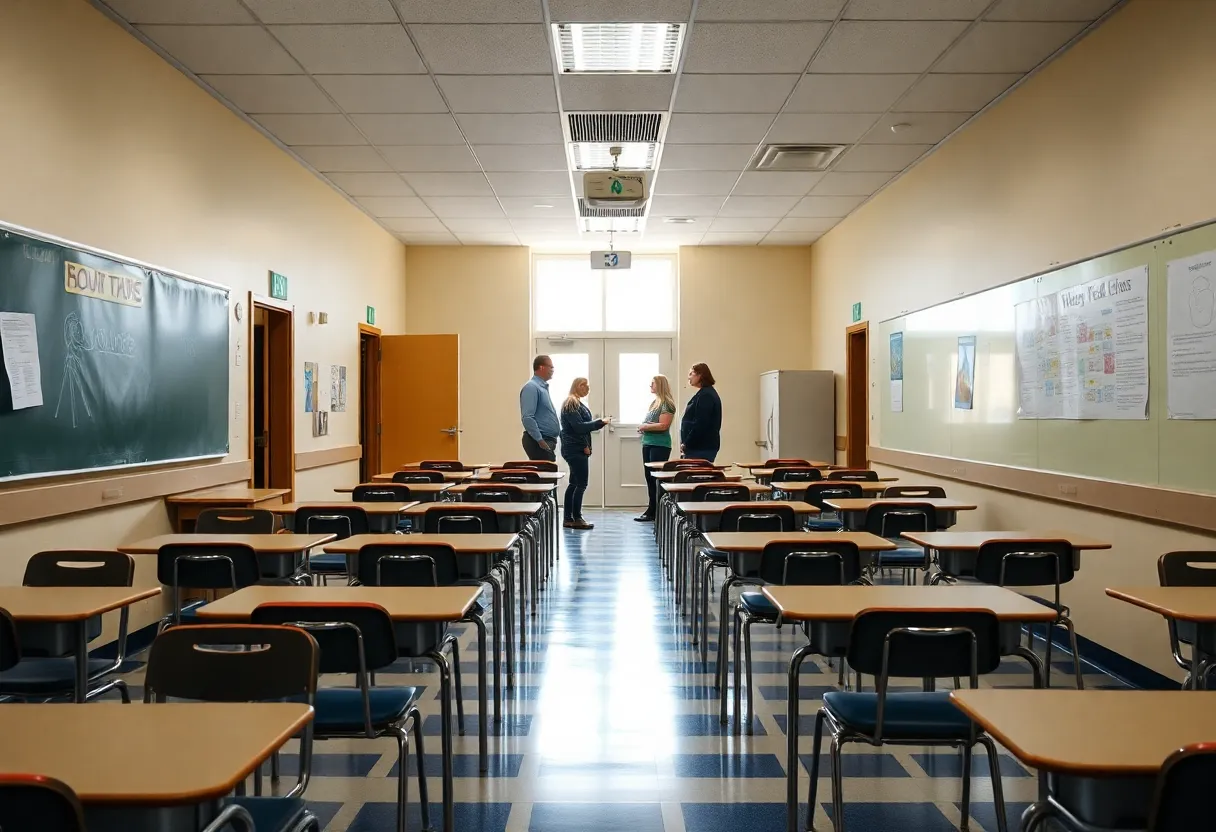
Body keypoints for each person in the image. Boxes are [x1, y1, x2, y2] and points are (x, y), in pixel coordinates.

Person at [559, 377, 610, 530]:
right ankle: (577, 518)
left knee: (574, 483)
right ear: (578, 386)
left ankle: (569, 518)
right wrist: (600, 422)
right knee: (581, 483)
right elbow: (579, 428)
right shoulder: (571, 403)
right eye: (585, 385)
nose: (588, 388)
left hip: (576, 447)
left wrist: (586, 445)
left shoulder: (577, 403)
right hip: (574, 448)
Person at [635, 374, 677, 522]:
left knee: (656, 478)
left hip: (659, 444)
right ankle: (651, 508)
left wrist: (645, 426)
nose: (650, 386)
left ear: (659, 385)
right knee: (649, 477)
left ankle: (656, 510)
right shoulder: (655, 403)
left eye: (652, 383)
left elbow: (663, 425)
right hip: (648, 442)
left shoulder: (667, 403)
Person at [520, 354, 560, 461]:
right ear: (542, 367)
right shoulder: (531, 387)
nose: (553, 370)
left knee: (549, 475)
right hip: (538, 442)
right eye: (551, 367)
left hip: (547, 440)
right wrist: (540, 440)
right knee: (546, 475)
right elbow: (527, 417)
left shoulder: (542, 388)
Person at [680, 362, 722, 463]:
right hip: (698, 447)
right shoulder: (704, 393)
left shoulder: (706, 396)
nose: (688, 377)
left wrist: (687, 443)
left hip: (700, 448)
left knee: (695, 477)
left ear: (700, 375)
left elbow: (701, 423)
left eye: (691, 374)